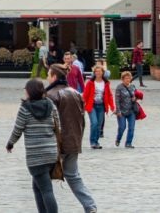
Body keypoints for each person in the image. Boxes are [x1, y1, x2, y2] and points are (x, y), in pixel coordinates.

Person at [45, 63, 97, 213]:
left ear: (54, 77)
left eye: (48, 74)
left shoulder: (50, 95)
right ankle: (90, 205)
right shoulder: (75, 93)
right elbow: (82, 120)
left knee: (42, 179)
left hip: (56, 143)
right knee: (73, 176)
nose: (47, 77)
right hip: (73, 141)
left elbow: (49, 122)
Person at [6, 78, 61, 213]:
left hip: (36, 155)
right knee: (38, 186)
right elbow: (58, 126)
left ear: (29, 91)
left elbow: (18, 129)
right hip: (51, 152)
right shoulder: (50, 105)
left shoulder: (25, 108)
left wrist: (10, 143)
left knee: (46, 189)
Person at [82, 63, 114, 148]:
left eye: (99, 71)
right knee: (94, 123)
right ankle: (92, 142)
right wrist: (82, 104)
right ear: (94, 73)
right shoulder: (90, 82)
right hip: (92, 105)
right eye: (96, 71)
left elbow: (109, 95)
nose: (98, 73)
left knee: (99, 125)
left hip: (101, 106)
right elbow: (85, 95)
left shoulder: (106, 83)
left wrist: (112, 107)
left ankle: (96, 142)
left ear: (103, 72)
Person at [113, 70, 138, 148]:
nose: (127, 79)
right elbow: (117, 100)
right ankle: (118, 139)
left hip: (131, 111)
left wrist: (135, 98)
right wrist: (118, 111)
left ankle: (128, 143)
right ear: (122, 79)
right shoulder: (119, 87)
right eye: (126, 78)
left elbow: (136, 95)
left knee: (131, 128)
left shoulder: (133, 86)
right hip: (122, 111)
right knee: (122, 127)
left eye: (129, 78)